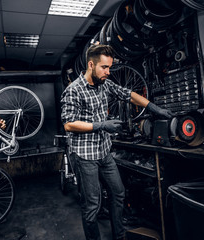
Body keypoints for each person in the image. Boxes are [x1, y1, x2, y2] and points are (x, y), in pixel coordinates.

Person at [60, 44, 174, 240]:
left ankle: (119, 236)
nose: (108, 72)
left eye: (109, 67)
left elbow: (128, 94)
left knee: (118, 192)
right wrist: (102, 125)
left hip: (104, 152)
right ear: (90, 65)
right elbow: (69, 124)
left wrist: (155, 108)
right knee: (92, 205)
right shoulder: (74, 90)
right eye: (104, 67)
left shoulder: (105, 83)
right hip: (85, 156)